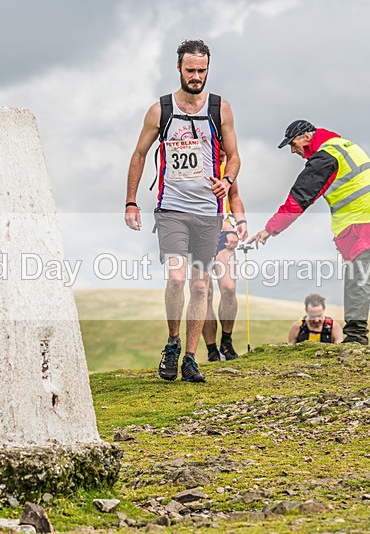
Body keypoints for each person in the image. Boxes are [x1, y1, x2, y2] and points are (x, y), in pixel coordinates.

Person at [124, 39, 241, 382]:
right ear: (178, 69)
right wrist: (131, 201)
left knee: (202, 287)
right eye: (189, 70)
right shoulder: (161, 110)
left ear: (208, 70)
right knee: (177, 278)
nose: (195, 76)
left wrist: (228, 179)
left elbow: (233, 155)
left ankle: (191, 357)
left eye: (201, 71)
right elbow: (139, 155)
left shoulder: (220, 109)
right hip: (172, 209)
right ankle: (173, 343)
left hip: (208, 212)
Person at [247, 120, 370, 345]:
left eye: (293, 145)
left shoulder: (325, 157)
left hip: (360, 221)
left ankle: (355, 337)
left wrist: (269, 229)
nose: (293, 151)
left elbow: (300, 197)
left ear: (306, 136)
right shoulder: (343, 145)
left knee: (358, 278)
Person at [202, 174, 247, 361]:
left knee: (229, 288)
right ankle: (212, 350)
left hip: (224, 234)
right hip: (200, 232)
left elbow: (234, 196)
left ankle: (226, 342)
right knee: (204, 294)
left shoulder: (228, 166)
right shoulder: (200, 157)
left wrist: (241, 222)